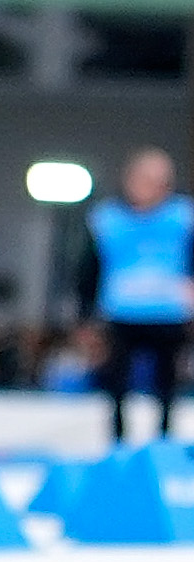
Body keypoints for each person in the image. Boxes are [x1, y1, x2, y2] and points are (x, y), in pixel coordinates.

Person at [78, 146, 194, 444]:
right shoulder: (107, 219)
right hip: (121, 313)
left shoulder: (183, 217)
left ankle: (164, 442)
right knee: (116, 382)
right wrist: (85, 316)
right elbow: (88, 268)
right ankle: (118, 443)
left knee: (166, 383)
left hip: (168, 313)